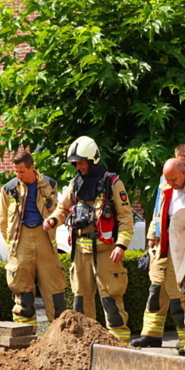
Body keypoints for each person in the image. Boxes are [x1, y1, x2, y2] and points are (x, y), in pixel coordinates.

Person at [43, 136, 134, 343]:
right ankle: (84, 347)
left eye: (81, 162)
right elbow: (63, 208)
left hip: (106, 253)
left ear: (93, 160)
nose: (78, 166)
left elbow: (125, 217)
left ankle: (120, 346)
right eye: (75, 163)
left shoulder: (112, 183)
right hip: (80, 254)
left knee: (111, 301)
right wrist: (52, 220)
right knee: (80, 303)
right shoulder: (75, 184)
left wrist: (121, 245)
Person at [130, 158, 185, 356]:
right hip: (167, 247)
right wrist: (152, 236)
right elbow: (160, 215)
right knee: (160, 291)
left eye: (173, 179)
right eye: (167, 179)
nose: (169, 183)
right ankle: (158, 335)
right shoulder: (166, 187)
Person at [0, 148, 68, 325]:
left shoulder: (50, 184)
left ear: (31, 168)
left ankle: (60, 337)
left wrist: (52, 223)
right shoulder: (9, 189)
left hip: (44, 239)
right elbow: (2, 218)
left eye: (21, 171)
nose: (18, 175)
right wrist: (11, 244)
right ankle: (24, 339)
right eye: (15, 171)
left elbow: (59, 211)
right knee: (23, 292)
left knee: (55, 290)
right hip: (21, 240)